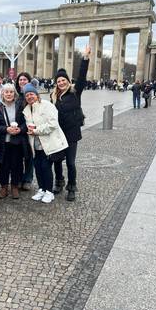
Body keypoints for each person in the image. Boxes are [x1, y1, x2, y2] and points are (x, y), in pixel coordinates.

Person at [50, 45, 90, 202]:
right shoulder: (53, 97)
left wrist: (85, 58)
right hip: (58, 134)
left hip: (72, 134)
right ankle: (59, 181)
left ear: (68, 81)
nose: (61, 82)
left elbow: (82, 76)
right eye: (58, 80)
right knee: (57, 161)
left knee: (71, 163)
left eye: (63, 80)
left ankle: (72, 187)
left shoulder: (75, 92)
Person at [23, 83, 68, 204]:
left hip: (48, 143)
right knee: (37, 167)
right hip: (35, 143)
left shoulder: (47, 105)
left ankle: (49, 191)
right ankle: (41, 189)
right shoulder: (26, 109)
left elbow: (53, 124)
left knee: (45, 167)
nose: (29, 97)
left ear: (37, 95)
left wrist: (37, 130)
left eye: (31, 94)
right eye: (27, 95)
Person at [0, 83, 28, 199]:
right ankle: (3, 186)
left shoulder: (20, 106)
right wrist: (6, 129)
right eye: (6, 92)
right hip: (3, 141)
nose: (9, 94)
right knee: (3, 165)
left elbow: (26, 122)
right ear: (2, 94)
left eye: (11, 92)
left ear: (15, 94)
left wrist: (20, 129)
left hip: (17, 141)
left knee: (17, 165)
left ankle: (14, 186)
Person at [15, 72, 34, 190]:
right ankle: (19, 178)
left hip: (30, 130)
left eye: (25, 79)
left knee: (29, 156)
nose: (22, 81)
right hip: (19, 129)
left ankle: (27, 179)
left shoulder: (32, 95)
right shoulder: (16, 96)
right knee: (18, 156)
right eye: (20, 79)